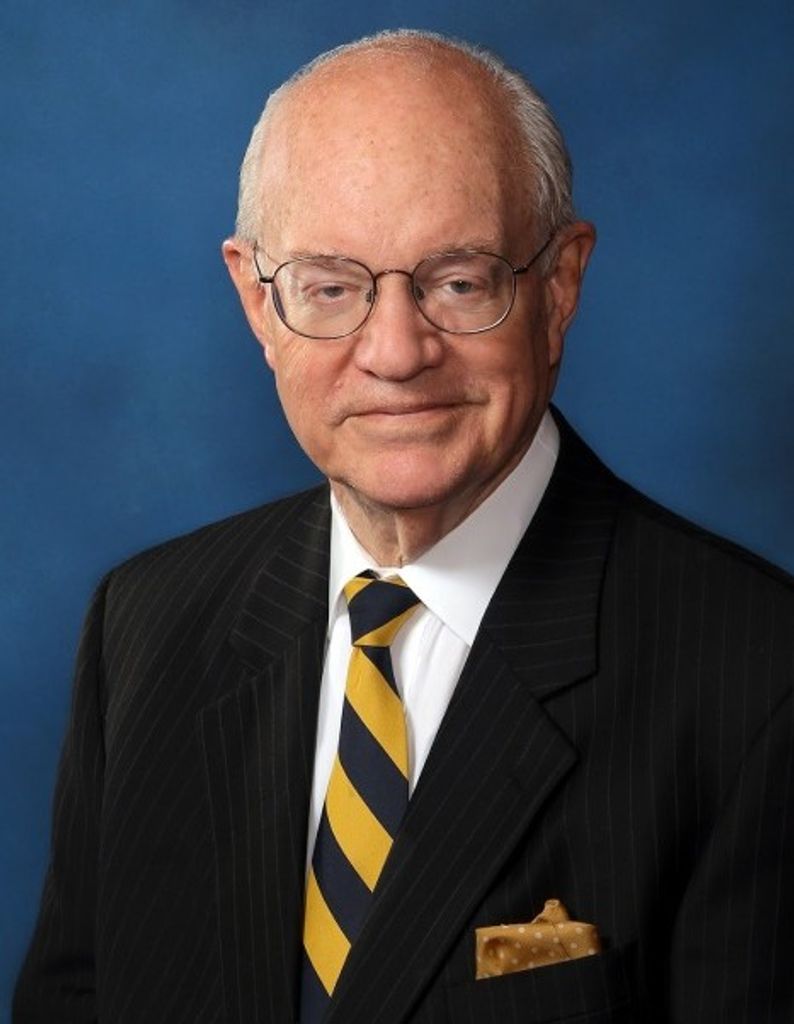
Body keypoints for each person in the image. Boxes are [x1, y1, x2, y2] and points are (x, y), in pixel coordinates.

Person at [14, 28, 794, 1024]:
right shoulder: (146, 624)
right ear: (256, 301)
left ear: (558, 286)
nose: (394, 351)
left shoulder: (755, 675)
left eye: (458, 281)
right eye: (330, 288)